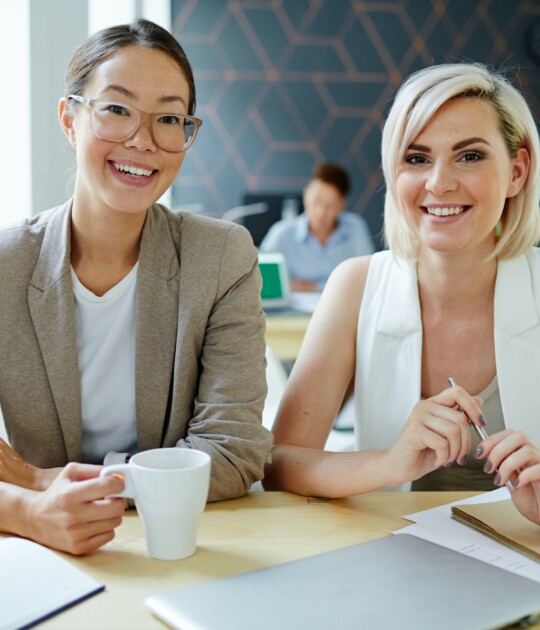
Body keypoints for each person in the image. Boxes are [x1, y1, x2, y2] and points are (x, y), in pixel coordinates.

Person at [0, 19, 272, 555]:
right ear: (70, 119)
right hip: (44, 549)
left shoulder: (220, 257)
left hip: (194, 539)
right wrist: (26, 510)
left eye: (168, 118)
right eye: (117, 109)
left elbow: (235, 452)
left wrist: (42, 480)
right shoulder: (6, 264)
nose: (142, 140)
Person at [263, 62, 540, 499]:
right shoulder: (355, 286)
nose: (439, 182)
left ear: (517, 171)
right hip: (387, 555)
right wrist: (389, 463)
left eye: (469, 156)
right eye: (417, 158)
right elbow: (278, 463)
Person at [259, 163, 374, 292]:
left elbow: (367, 278)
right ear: (306, 196)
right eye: (316, 202)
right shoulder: (282, 233)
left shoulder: (355, 228)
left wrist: (311, 286)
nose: (321, 212)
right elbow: (260, 278)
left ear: (342, 204)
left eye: (330, 206)